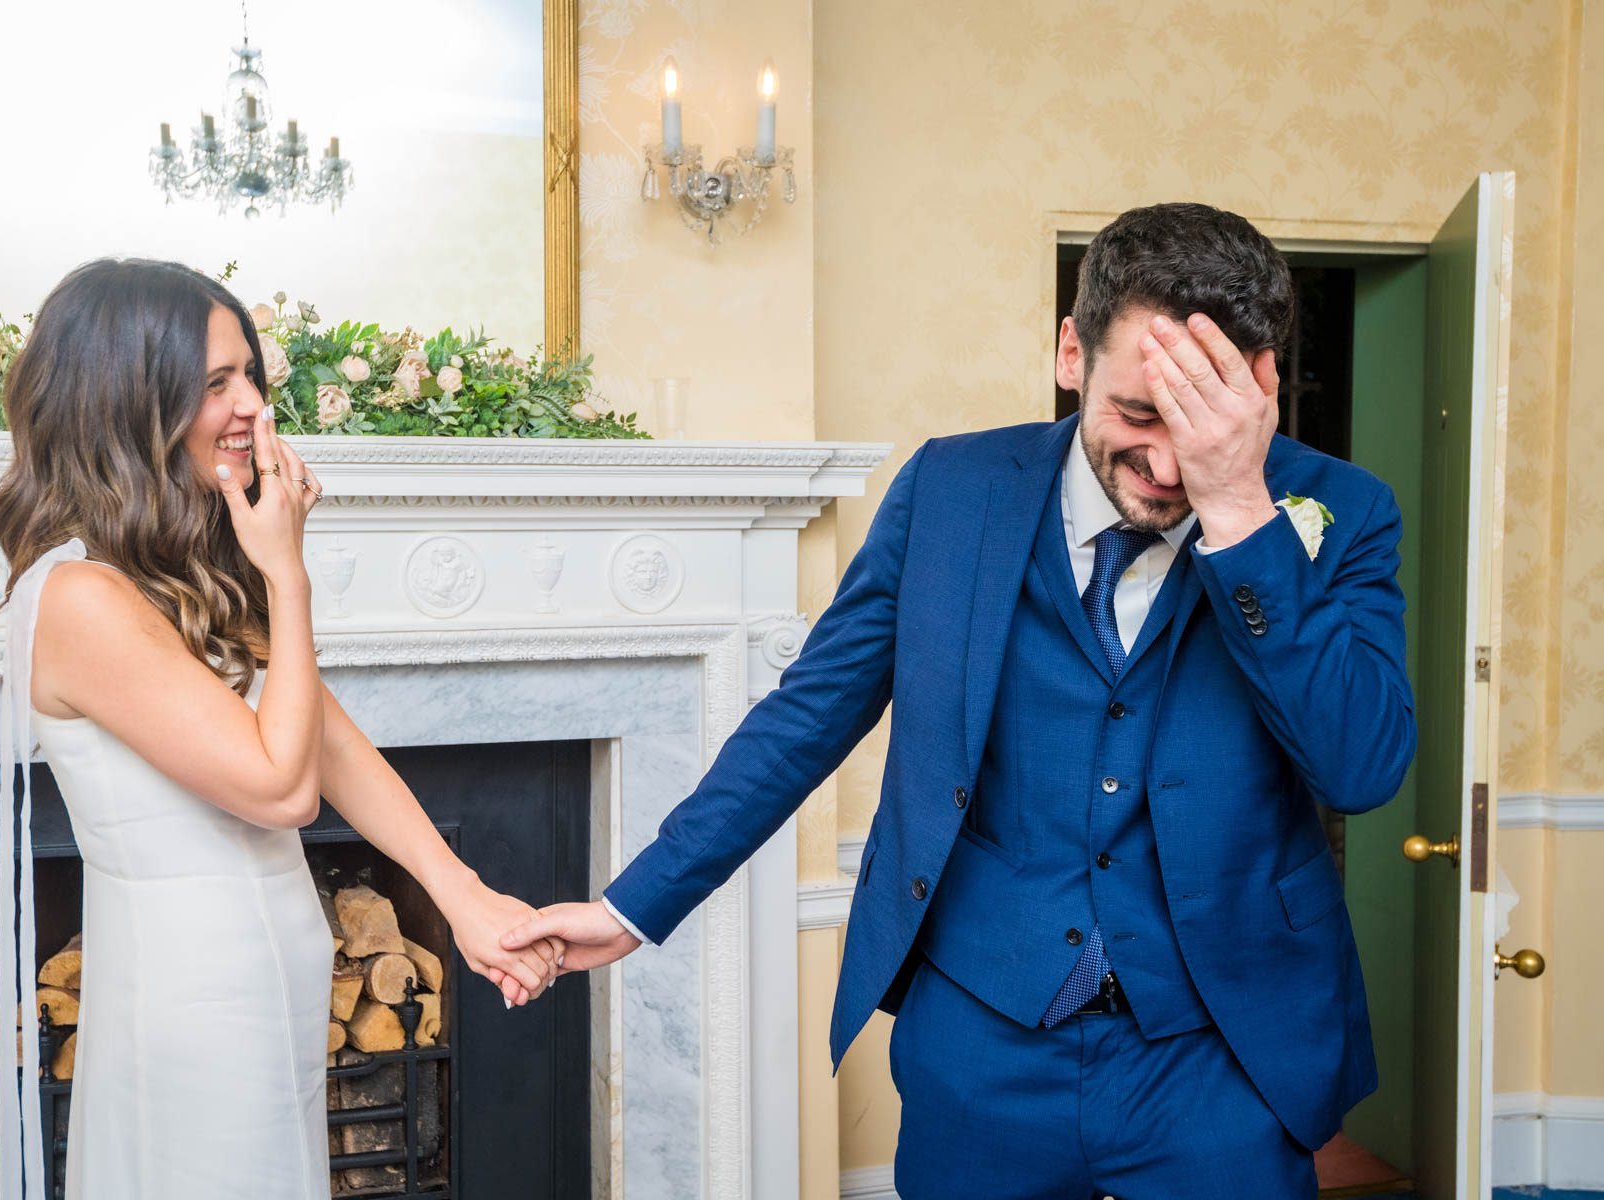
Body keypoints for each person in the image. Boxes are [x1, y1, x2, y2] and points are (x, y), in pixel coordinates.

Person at [504, 203, 1414, 1197]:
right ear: (1071, 351)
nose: (1166, 467)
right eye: (1141, 416)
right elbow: (807, 716)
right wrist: (633, 906)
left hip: (1222, 1058)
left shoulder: (1346, 510)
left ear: (1263, 384)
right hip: (982, 1043)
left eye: (1203, 426)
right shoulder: (950, 489)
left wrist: (1241, 510)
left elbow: (1361, 769)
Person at [0, 259, 562, 1198]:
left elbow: (327, 743)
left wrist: (465, 900)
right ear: (127, 400)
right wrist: (288, 575)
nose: (254, 403)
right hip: (195, 998)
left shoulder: (173, 569)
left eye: (250, 373)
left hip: (262, 985)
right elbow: (284, 789)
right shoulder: (78, 595)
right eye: (217, 382)